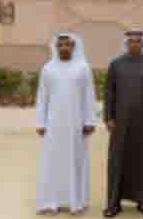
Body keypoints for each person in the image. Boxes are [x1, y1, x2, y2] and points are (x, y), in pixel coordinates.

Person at [35, 33, 97, 216]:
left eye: (67, 45)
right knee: (52, 162)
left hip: (76, 125)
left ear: (74, 47)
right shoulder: (48, 69)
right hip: (53, 125)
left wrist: (89, 120)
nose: (64, 48)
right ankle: (50, 202)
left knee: (75, 161)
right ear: (56, 47)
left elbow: (89, 96)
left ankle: (75, 202)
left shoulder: (82, 68)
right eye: (60, 45)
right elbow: (42, 97)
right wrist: (40, 122)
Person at [104, 31, 143, 218]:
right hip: (120, 123)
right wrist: (108, 118)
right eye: (131, 41)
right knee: (117, 161)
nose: (134, 44)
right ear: (126, 44)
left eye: (138, 41)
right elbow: (109, 93)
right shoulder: (116, 65)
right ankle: (114, 203)